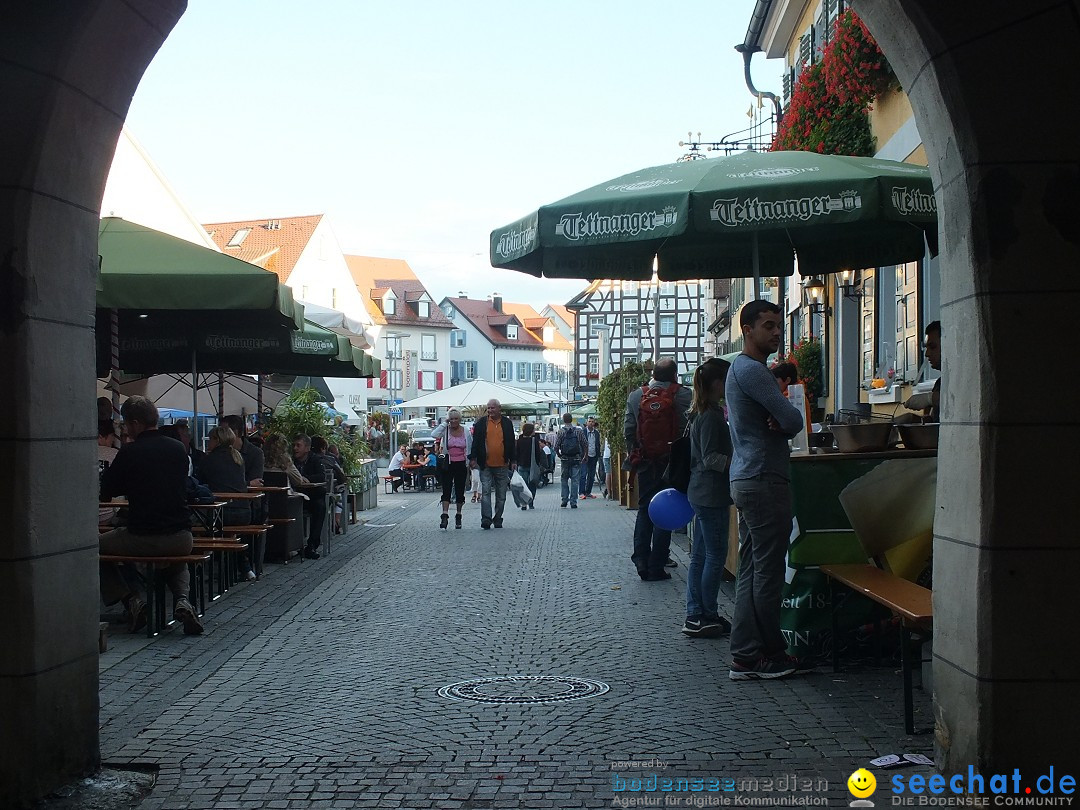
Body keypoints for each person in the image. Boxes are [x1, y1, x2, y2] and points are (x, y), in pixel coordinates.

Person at [726, 300, 807, 680]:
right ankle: (770, 654)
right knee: (767, 573)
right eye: (769, 326)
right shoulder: (754, 371)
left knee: (752, 570)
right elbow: (794, 419)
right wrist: (782, 417)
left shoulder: (741, 370)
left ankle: (745, 655)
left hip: (747, 476)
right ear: (747, 330)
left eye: (779, 325)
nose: (777, 332)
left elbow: (785, 419)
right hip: (763, 478)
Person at [98, 396, 203, 635]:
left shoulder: (130, 452)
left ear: (136, 423)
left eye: (125, 424)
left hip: (141, 535)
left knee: (93, 549)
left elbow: (108, 489)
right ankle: (182, 599)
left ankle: (132, 599)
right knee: (174, 557)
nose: (124, 428)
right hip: (181, 537)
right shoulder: (178, 449)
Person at [624, 357, 692, 581]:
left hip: (645, 462)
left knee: (645, 509)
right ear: (675, 375)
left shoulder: (636, 396)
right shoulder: (684, 395)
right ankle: (658, 563)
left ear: (653, 375)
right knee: (666, 510)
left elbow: (629, 430)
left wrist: (636, 454)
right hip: (673, 462)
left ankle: (641, 559)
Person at [683, 357, 734, 638]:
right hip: (711, 493)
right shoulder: (712, 415)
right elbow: (711, 458)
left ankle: (695, 613)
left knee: (701, 556)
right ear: (717, 384)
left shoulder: (699, 412)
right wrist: (738, 461)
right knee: (715, 556)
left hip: (699, 491)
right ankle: (708, 613)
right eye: (727, 381)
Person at [197, 425, 256, 580]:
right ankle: (245, 568)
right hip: (244, 512)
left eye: (210, 440)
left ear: (217, 440)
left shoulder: (209, 460)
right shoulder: (238, 458)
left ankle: (201, 566)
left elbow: (200, 484)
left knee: (197, 524)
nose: (208, 443)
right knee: (231, 533)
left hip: (222, 513)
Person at [468, 398, 516, 529]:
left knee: (501, 495)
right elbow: (476, 442)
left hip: (502, 464)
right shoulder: (481, 423)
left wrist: (513, 460)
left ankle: (498, 518)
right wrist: (473, 458)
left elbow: (511, 442)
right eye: (488, 408)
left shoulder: (506, 423)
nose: (490, 410)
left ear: (499, 408)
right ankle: (486, 519)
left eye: (492, 408)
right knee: (486, 492)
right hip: (486, 464)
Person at [432, 409, 471, 529]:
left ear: (460, 419)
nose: (454, 421)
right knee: (446, 489)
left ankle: (458, 515)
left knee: (460, 490)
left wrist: (469, 463)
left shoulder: (465, 430)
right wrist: (445, 423)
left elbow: (469, 446)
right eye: (452, 419)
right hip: (447, 464)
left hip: (461, 464)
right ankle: (444, 515)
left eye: (456, 419)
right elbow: (434, 434)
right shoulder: (446, 430)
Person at [292, 433, 327, 559]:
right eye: (294, 445)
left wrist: (307, 479)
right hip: (296, 496)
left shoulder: (315, 460)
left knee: (320, 507)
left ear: (307, 448)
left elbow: (321, 477)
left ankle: (312, 545)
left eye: (298, 446)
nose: (295, 448)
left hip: (312, 496)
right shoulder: (291, 461)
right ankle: (291, 545)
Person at [902, 320, 942, 422]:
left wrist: (930, 399)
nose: (927, 354)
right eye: (926, 348)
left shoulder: (968, 376)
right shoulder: (939, 384)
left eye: (932, 347)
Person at [221, 414, 264, 487]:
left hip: (247, 496)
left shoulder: (255, 453)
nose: (220, 435)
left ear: (235, 432)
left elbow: (256, 482)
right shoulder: (220, 452)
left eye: (223, 432)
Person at [554, 413, 586, 509]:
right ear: (572, 420)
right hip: (576, 458)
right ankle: (573, 501)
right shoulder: (578, 431)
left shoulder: (561, 432)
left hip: (565, 459)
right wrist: (585, 456)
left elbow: (556, 447)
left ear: (564, 420)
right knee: (575, 480)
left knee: (564, 479)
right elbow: (585, 444)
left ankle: (564, 500)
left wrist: (560, 455)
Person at [514, 423, 543, 511]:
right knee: (532, 484)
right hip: (532, 466)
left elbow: (516, 453)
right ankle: (530, 503)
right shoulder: (534, 441)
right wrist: (538, 464)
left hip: (521, 465)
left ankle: (523, 503)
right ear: (531, 431)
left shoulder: (519, 441)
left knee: (523, 485)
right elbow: (538, 454)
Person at [578, 417, 602, 499]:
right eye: (589, 421)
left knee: (591, 475)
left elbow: (597, 444)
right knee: (583, 474)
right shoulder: (582, 432)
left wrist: (598, 454)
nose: (591, 423)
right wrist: (582, 454)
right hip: (584, 456)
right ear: (586, 423)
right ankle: (581, 492)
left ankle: (588, 491)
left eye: (592, 422)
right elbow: (580, 444)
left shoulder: (596, 433)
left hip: (593, 455)